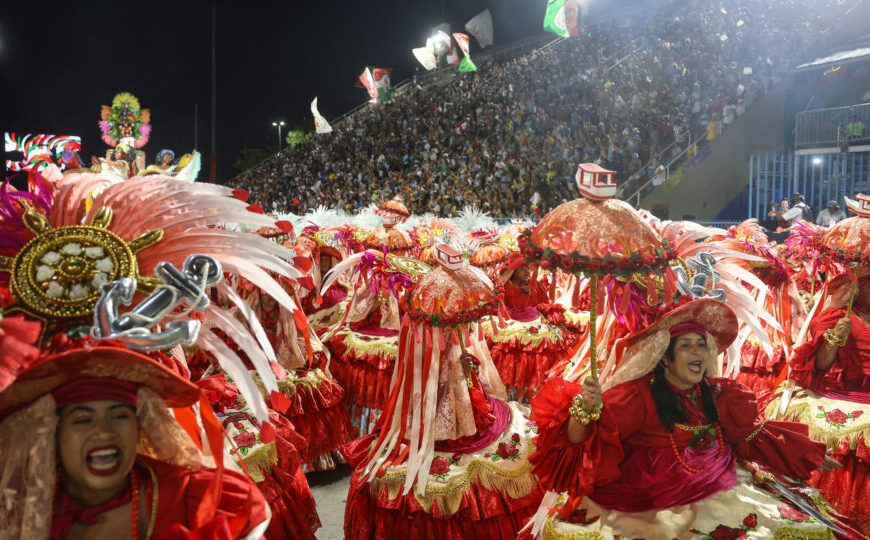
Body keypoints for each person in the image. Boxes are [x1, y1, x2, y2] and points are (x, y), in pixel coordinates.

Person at [525, 299, 851, 539]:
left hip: (720, 489)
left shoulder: (720, 395)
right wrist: (584, 410)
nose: (698, 353)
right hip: (654, 508)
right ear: (664, 357)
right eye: (686, 346)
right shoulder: (635, 397)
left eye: (702, 346)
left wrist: (804, 451)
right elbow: (578, 446)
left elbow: (749, 437)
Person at [0, 337, 270, 539]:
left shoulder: (200, 499)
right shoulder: (18, 513)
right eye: (83, 419)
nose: (103, 431)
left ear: (140, 426)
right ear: (52, 432)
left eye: (119, 416)